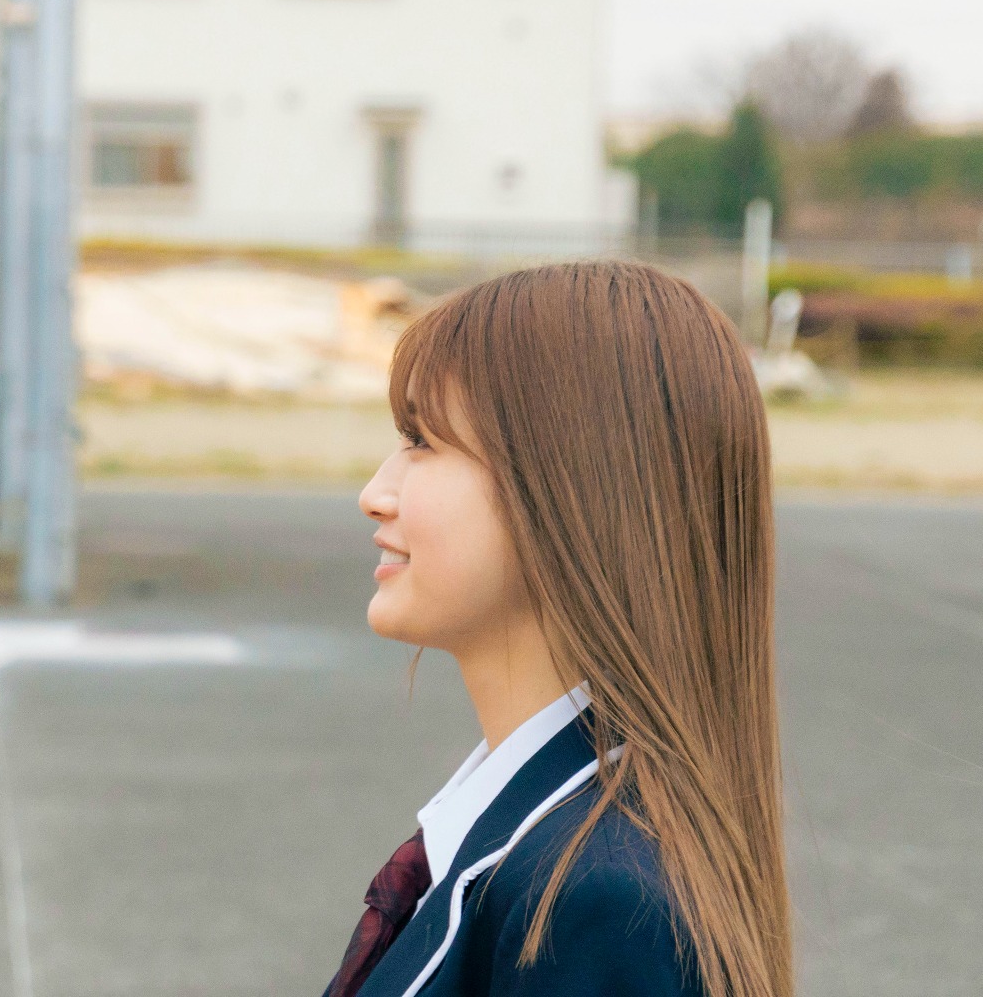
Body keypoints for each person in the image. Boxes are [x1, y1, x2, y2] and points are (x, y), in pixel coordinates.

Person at [329, 261, 792, 997]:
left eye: (421, 441)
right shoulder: (542, 837)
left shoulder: (598, 902)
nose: (374, 494)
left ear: (572, 485)